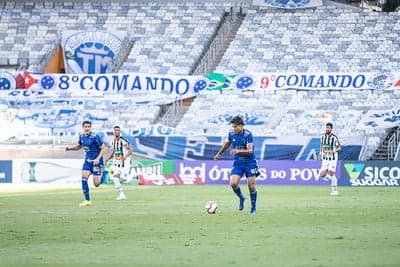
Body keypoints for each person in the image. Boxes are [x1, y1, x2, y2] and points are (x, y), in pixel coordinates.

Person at [214, 115, 259, 214]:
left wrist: (238, 151)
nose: (234, 129)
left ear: (241, 126)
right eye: (233, 127)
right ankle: (242, 198)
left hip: (250, 163)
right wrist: (219, 153)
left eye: (235, 127)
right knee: (233, 183)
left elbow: (250, 150)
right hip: (238, 162)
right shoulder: (231, 133)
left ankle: (253, 207)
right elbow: (227, 143)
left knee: (251, 186)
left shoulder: (248, 135)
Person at [66, 120, 107, 206]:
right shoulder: (81, 136)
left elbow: (104, 148)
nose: (87, 128)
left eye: (89, 127)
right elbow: (79, 146)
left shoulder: (95, 137)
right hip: (88, 161)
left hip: (97, 162)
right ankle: (87, 200)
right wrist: (70, 149)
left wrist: (98, 158)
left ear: (90, 127)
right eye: (86, 127)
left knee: (96, 184)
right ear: (83, 127)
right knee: (84, 178)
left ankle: (105, 172)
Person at [105, 125, 133, 201]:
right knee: (114, 176)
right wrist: (108, 158)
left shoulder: (123, 141)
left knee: (119, 177)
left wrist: (125, 157)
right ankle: (121, 194)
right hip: (116, 163)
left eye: (118, 130)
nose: (116, 131)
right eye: (115, 130)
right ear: (113, 132)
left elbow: (130, 150)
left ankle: (129, 176)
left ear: (120, 132)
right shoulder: (113, 141)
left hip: (124, 163)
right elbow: (114, 151)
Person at [319, 122, 341, 196]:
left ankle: (334, 189)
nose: (327, 129)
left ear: (331, 129)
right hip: (325, 158)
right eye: (326, 127)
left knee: (331, 173)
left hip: (333, 158)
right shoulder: (322, 136)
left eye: (329, 128)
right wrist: (320, 153)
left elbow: (339, 148)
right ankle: (334, 180)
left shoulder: (334, 138)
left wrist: (331, 151)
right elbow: (321, 145)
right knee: (323, 174)